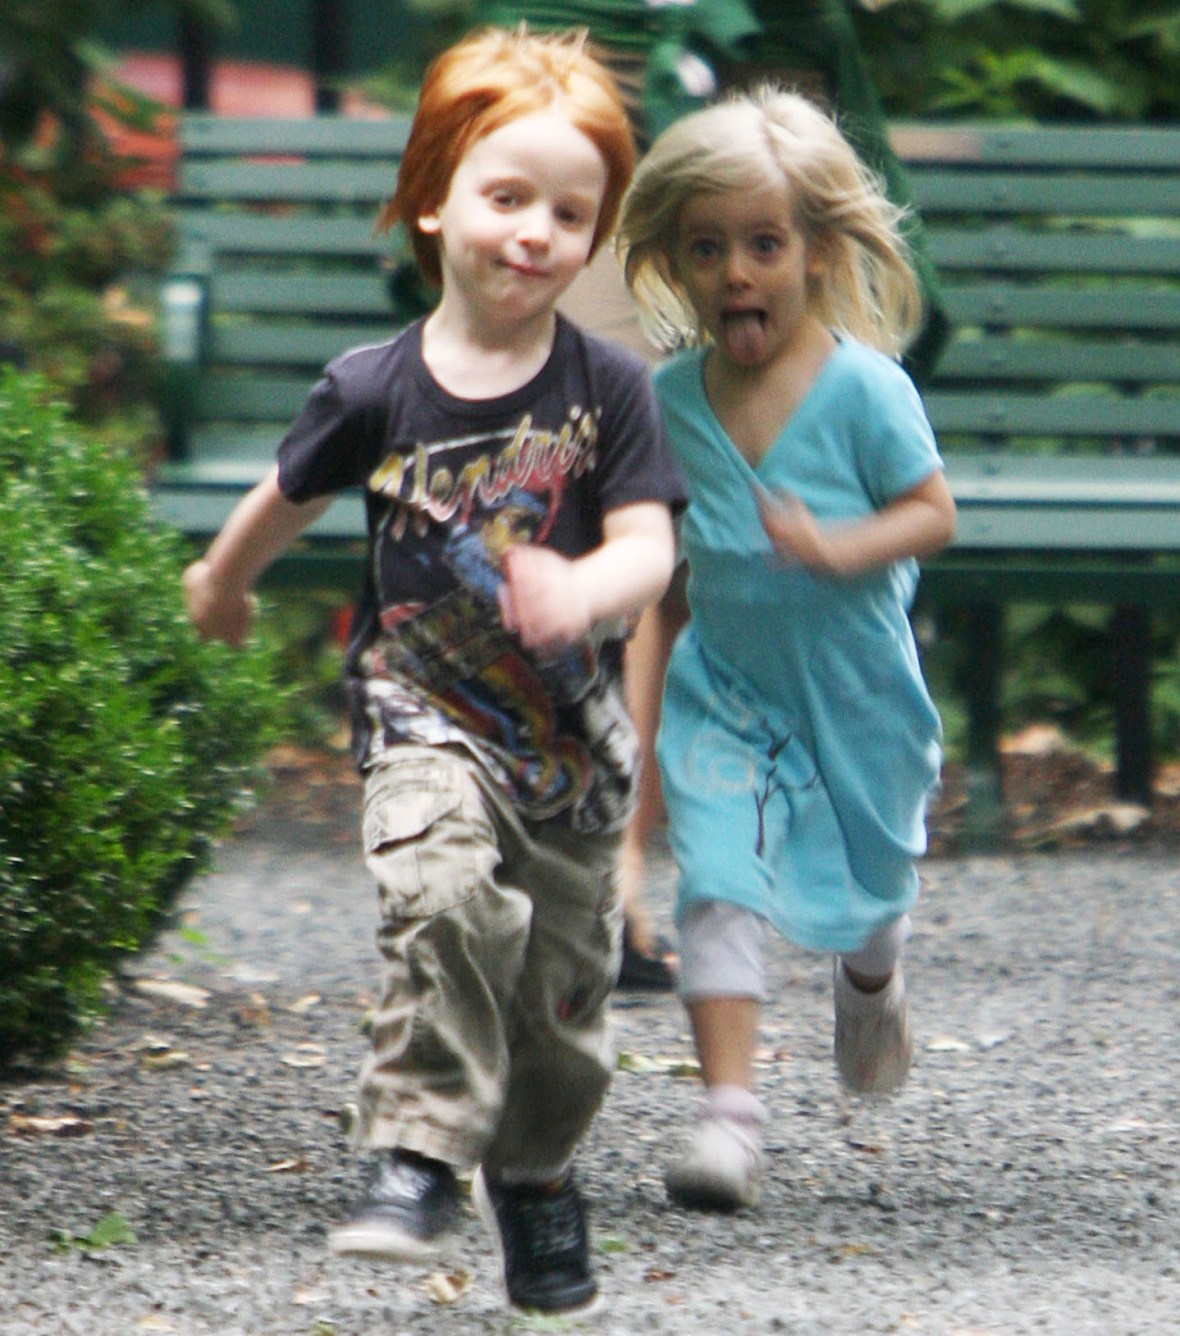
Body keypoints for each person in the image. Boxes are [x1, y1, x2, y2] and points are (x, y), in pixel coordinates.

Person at [183, 26, 682, 1316]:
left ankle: (534, 1176)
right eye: (505, 196)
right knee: (443, 896)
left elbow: (650, 543)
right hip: (423, 713)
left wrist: (584, 588)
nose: (534, 232)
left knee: (561, 1013)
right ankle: (412, 1153)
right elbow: (282, 495)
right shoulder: (374, 386)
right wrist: (222, 582)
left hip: (569, 743)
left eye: (569, 213)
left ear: (595, 237)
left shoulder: (610, 387)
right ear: (431, 200)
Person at [616, 86, 956, 1210]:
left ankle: (871, 981)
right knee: (716, 879)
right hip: (728, 695)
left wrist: (836, 542)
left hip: (855, 695)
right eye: (706, 249)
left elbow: (930, 513)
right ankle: (727, 1119)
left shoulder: (866, 389)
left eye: (763, 244)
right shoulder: (670, 398)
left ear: (816, 250)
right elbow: (648, 537)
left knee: (872, 889)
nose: (735, 275)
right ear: (674, 258)